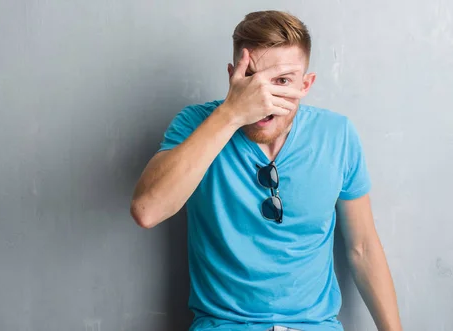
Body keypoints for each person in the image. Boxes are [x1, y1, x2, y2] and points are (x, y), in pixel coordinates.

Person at [130, 10, 403, 331]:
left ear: (306, 84)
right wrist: (231, 113)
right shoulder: (195, 125)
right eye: (251, 79)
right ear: (232, 76)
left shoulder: (337, 134)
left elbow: (363, 248)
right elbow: (147, 211)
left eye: (283, 81)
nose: (265, 97)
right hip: (224, 325)